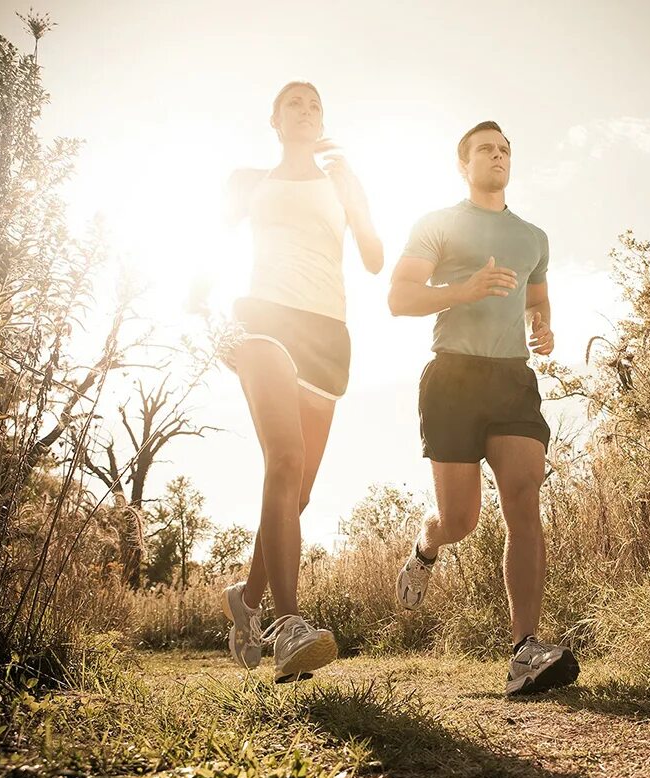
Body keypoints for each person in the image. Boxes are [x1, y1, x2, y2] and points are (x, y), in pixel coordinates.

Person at [388, 120, 578, 696]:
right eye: (485, 150)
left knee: (523, 496)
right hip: (452, 377)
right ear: (462, 163)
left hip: (511, 380)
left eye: (504, 150)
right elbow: (399, 298)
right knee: (461, 521)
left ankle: (525, 649)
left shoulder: (533, 237)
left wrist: (542, 328)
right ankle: (427, 544)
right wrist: (462, 291)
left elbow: (536, 299)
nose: (497, 157)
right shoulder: (438, 225)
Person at [216, 81, 383, 683]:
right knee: (283, 460)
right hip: (262, 319)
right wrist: (202, 306)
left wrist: (359, 204)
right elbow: (209, 240)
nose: (306, 110)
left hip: (327, 335)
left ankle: (248, 598)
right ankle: (289, 624)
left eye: (315, 104)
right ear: (275, 119)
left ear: (323, 120)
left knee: (300, 491)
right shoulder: (248, 181)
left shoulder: (341, 182)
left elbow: (372, 258)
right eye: (294, 103)